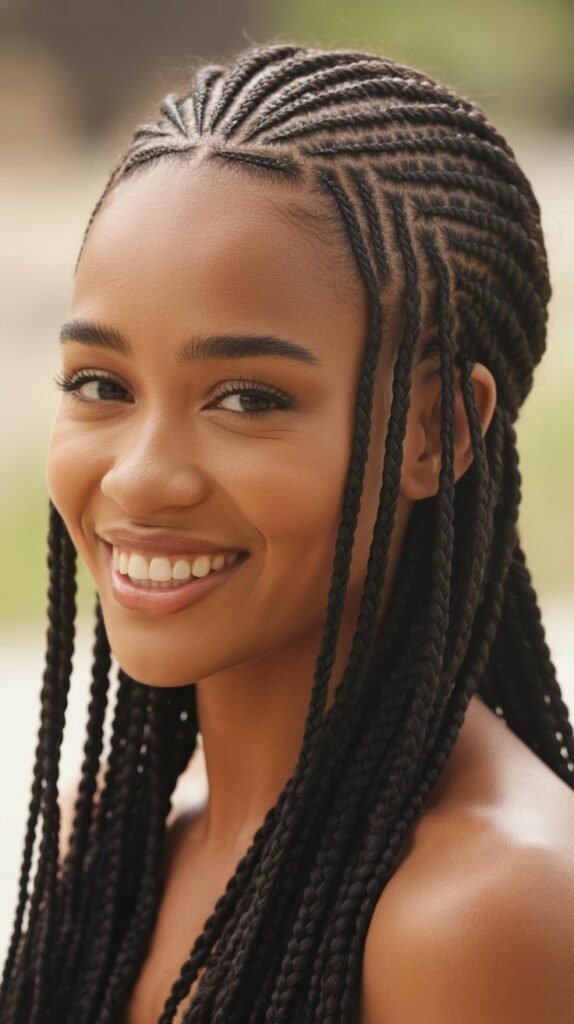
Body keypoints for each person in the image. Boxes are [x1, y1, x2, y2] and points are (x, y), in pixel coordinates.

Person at [2, 41, 574, 1024]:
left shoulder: (486, 911)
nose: (140, 474)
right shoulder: (100, 854)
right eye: (102, 384)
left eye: (247, 397)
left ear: (439, 431)